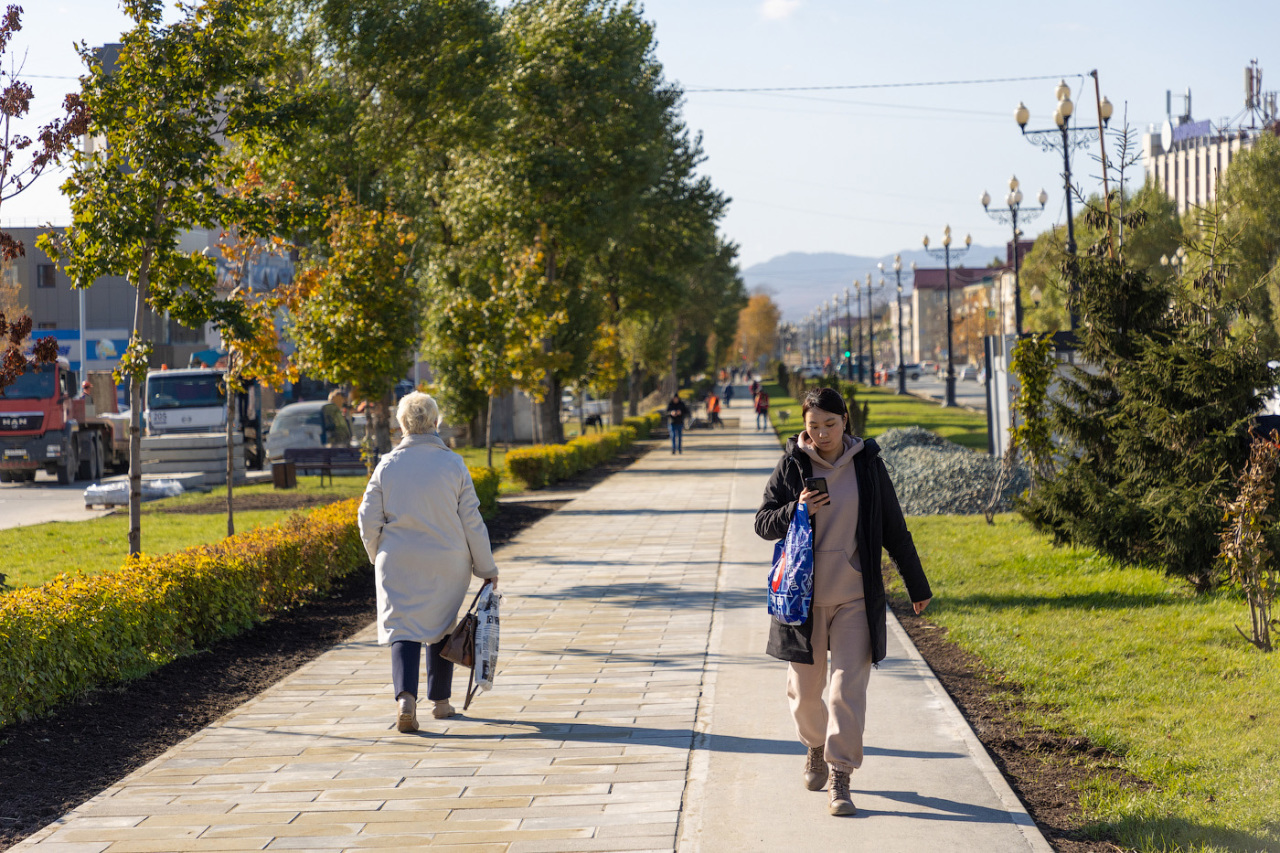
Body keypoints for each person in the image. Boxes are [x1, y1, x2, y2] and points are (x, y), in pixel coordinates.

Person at [754, 386, 932, 817]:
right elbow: (762, 523)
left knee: (846, 691)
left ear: (845, 420)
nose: (821, 434)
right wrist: (796, 510)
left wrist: (917, 585)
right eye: (813, 426)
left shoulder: (868, 465)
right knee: (804, 694)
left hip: (855, 596)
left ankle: (841, 775)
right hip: (803, 603)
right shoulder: (792, 465)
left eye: (830, 424)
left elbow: (894, 528)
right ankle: (814, 745)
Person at [358, 391, 499, 733]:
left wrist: (378, 554)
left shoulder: (387, 465)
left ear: (401, 424)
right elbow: (471, 521)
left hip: (398, 560)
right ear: (436, 422)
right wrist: (487, 568)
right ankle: (441, 703)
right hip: (447, 562)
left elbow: (366, 518)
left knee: (403, 628)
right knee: (442, 625)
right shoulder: (453, 464)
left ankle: (406, 698)